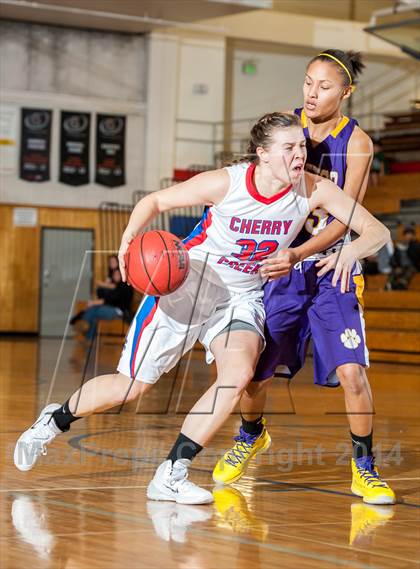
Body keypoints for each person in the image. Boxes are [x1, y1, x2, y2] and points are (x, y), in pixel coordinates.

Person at [14, 112, 389, 506]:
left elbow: (376, 231)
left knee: (239, 374)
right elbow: (155, 200)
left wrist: (345, 250)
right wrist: (128, 238)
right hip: (188, 285)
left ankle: (172, 471)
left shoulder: (314, 189)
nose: (300, 154)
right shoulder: (227, 182)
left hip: (240, 297)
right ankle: (52, 421)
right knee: (131, 386)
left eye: (302, 146)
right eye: (290, 147)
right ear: (262, 154)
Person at [213, 50, 396, 505]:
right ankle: (251, 434)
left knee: (352, 372)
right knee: (256, 372)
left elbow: (345, 218)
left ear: (346, 92)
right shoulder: (283, 128)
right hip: (281, 268)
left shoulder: (356, 143)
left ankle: (365, 468)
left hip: (331, 264)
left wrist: (297, 253)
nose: (313, 94)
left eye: (325, 86)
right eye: (308, 83)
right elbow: (251, 187)